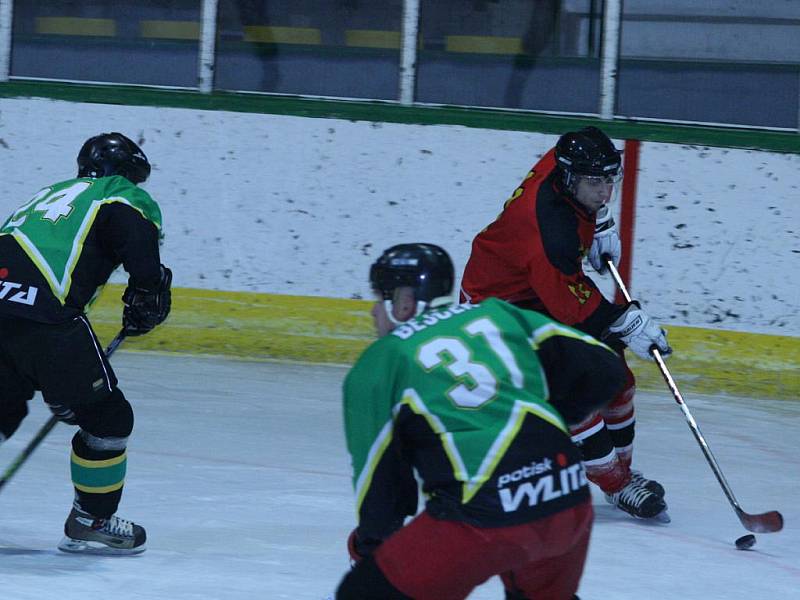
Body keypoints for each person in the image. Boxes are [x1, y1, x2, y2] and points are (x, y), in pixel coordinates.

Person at [337, 243, 627, 600]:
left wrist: (370, 550)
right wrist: (546, 425)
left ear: (404, 304)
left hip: (483, 514)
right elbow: (604, 369)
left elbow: (379, 481)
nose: (372, 310)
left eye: (379, 299)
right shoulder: (498, 316)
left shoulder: (382, 360)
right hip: (567, 499)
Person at [460, 126, 671, 520]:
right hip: (497, 307)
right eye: (595, 184)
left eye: (610, 181)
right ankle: (617, 484)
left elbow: (566, 288)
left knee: (618, 379)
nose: (605, 192)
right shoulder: (548, 234)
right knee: (576, 390)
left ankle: (623, 473)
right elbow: (571, 307)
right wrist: (625, 320)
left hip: (537, 286)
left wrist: (599, 221)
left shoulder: (561, 166)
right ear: (572, 178)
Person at [0, 132, 172, 554]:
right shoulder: (119, 194)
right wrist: (149, 290)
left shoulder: (48, 195)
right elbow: (133, 231)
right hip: (46, 320)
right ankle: (90, 519)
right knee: (108, 420)